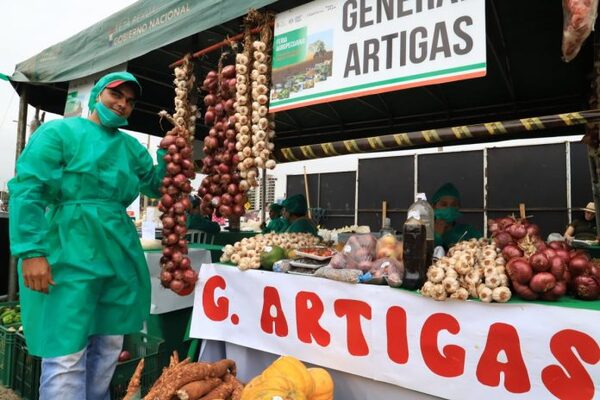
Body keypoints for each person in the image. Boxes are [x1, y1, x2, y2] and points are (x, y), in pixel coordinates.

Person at [8, 72, 166, 400]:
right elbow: (28, 188)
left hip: (117, 252)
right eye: (115, 95)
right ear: (96, 94)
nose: (122, 104)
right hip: (67, 249)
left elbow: (155, 184)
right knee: (66, 351)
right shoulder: (60, 132)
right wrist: (31, 251)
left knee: (108, 345)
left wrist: (169, 155)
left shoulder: (131, 147)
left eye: (129, 101)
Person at [431, 182, 481, 249]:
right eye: (444, 204)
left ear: (458, 207)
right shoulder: (424, 231)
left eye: (453, 205)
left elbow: (485, 248)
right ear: (433, 207)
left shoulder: (468, 231)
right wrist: (437, 236)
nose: (449, 208)